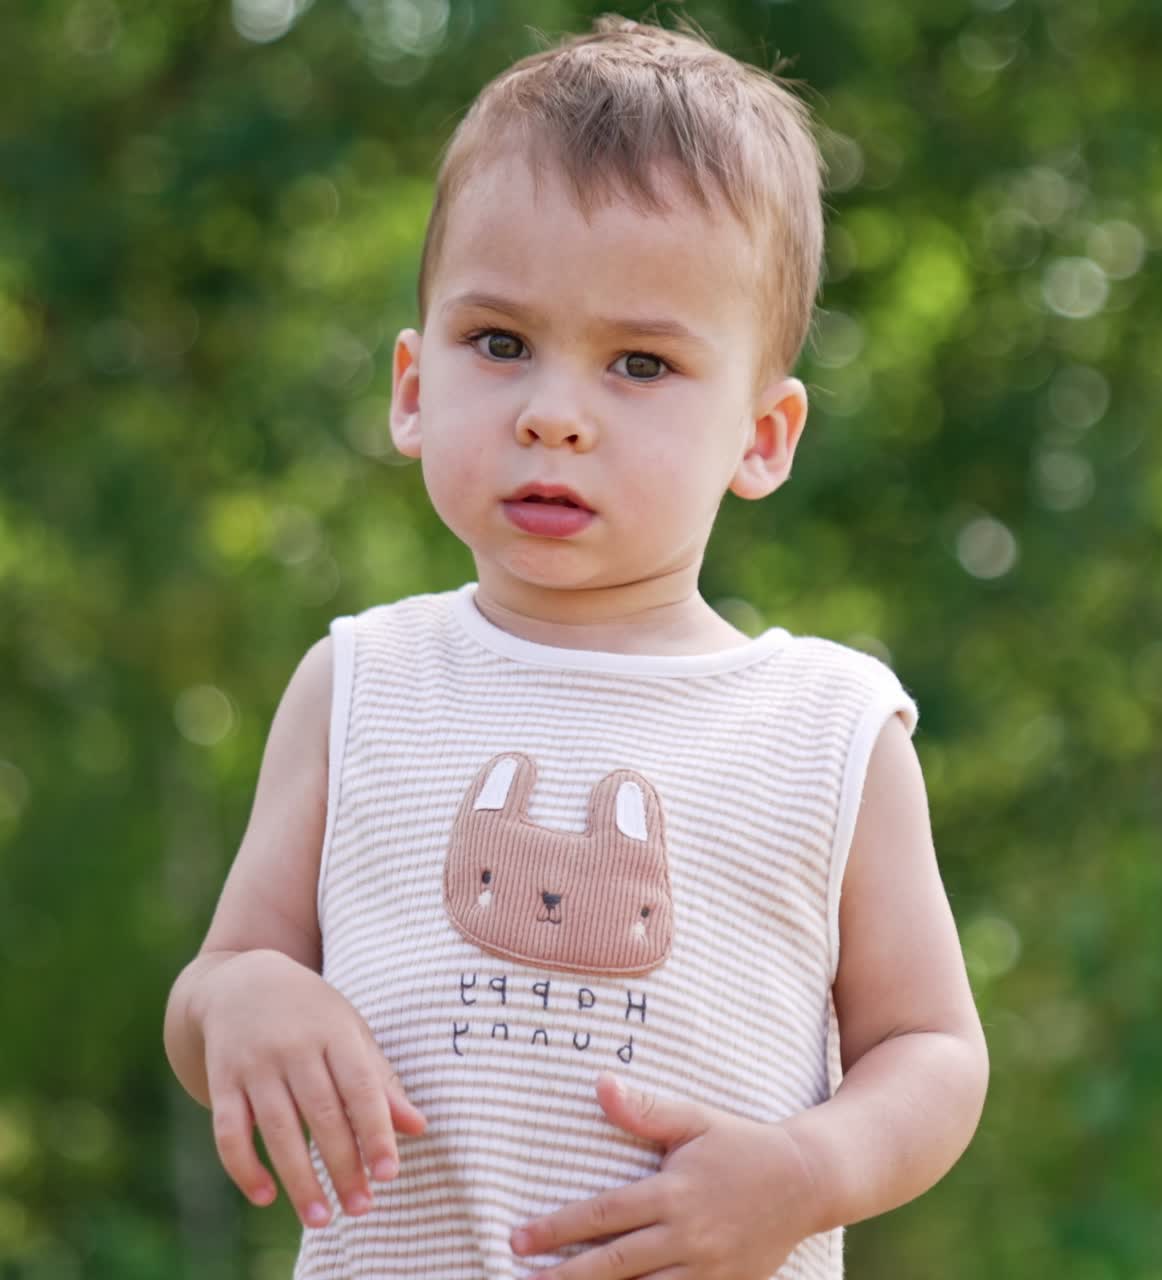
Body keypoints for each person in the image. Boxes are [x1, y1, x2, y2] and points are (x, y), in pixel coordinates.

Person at [163, 15, 988, 1279]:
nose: (553, 415)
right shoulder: (364, 683)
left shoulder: (825, 727)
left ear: (761, 436)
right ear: (412, 384)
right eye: (499, 343)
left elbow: (931, 1051)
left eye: (640, 364)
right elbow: (222, 974)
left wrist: (806, 1172)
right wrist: (243, 999)